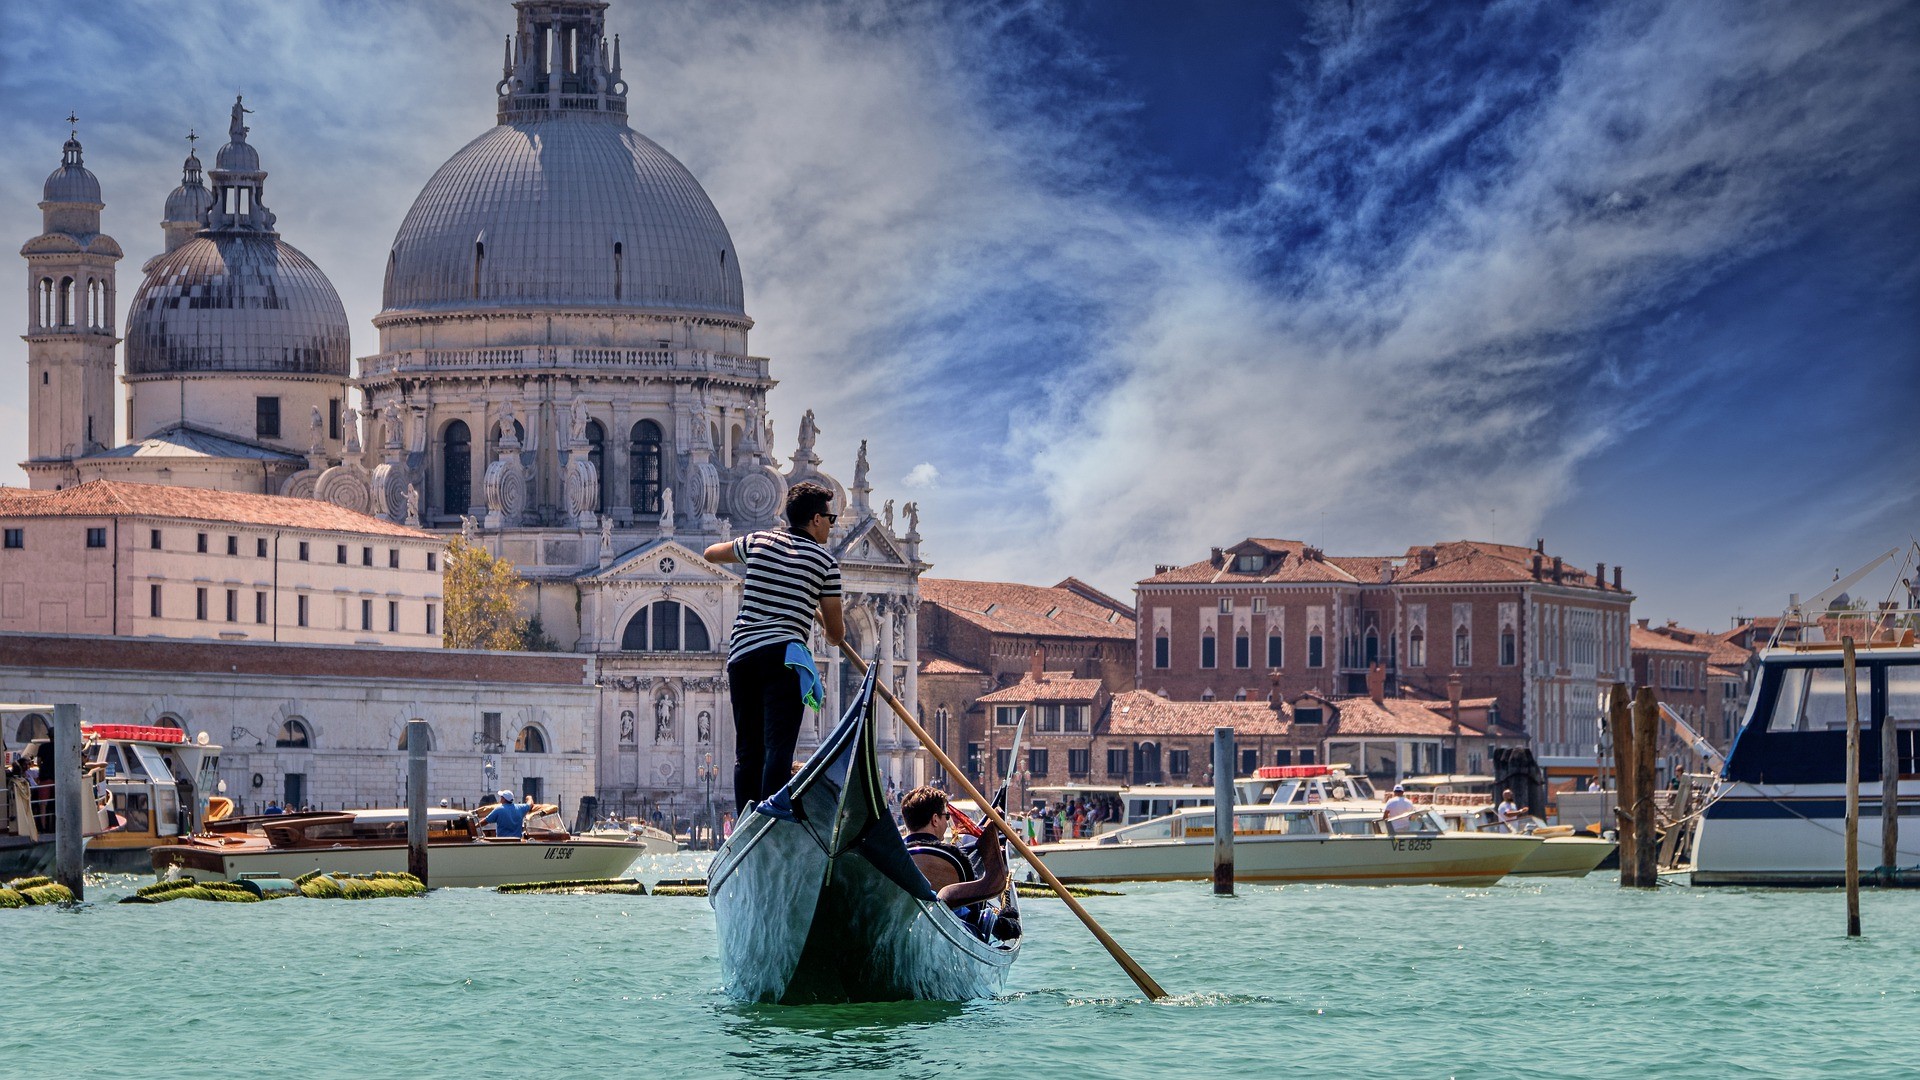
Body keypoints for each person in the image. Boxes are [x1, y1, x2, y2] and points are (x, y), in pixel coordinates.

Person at [704, 482, 845, 812]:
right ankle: (771, 819)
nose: (831, 525)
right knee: (778, 749)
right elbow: (836, 635)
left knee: (748, 750)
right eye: (830, 518)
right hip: (783, 657)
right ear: (815, 519)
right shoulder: (825, 564)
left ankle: (746, 818)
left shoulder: (759, 541)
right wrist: (813, 605)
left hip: (742, 656)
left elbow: (711, 553)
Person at [899, 787, 1018, 941]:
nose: (947, 822)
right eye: (946, 816)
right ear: (935, 820)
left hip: (904, 928)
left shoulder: (896, 857)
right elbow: (974, 910)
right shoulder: (954, 857)